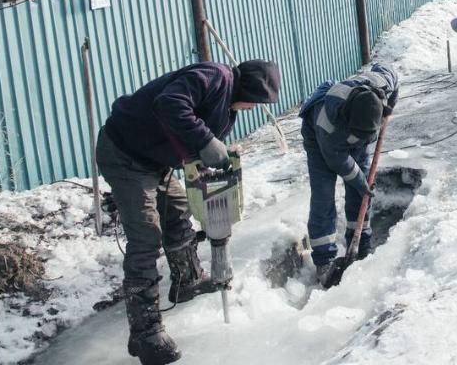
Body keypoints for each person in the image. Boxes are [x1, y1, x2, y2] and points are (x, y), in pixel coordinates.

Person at [97, 60, 281, 365]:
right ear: (249, 89)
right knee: (146, 235)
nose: (254, 107)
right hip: (124, 153)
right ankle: (145, 331)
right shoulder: (214, 77)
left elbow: (192, 143)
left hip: (154, 161)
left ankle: (187, 280)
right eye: (257, 100)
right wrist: (207, 141)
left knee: (178, 211)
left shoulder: (228, 109)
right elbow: (169, 103)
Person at [300, 63, 399, 283]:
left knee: (361, 193)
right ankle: (324, 258)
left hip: (355, 129)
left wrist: (388, 109)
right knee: (323, 194)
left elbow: (391, 73)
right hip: (320, 141)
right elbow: (339, 161)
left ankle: (361, 243)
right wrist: (360, 181)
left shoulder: (380, 83)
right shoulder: (327, 125)